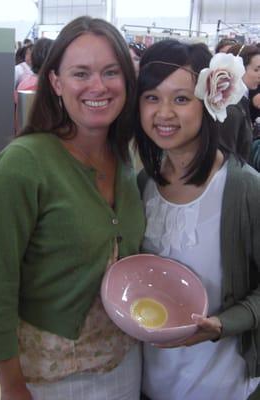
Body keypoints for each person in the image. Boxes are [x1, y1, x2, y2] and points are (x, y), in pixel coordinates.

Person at [0, 16, 145, 400]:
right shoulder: (23, 163)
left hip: (125, 363)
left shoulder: (126, 157)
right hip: (48, 375)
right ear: (56, 83)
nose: (98, 86)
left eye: (111, 72)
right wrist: (11, 385)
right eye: (81, 73)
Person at [135, 39, 260, 400]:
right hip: (148, 384)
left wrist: (224, 324)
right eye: (151, 97)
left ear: (209, 101)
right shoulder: (140, 187)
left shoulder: (245, 190)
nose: (163, 113)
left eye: (180, 98)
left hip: (223, 386)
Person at [218, 44, 260, 162]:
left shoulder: (241, 98)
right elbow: (227, 153)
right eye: (256, 69)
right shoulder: (231, 106)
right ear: (239, 69)